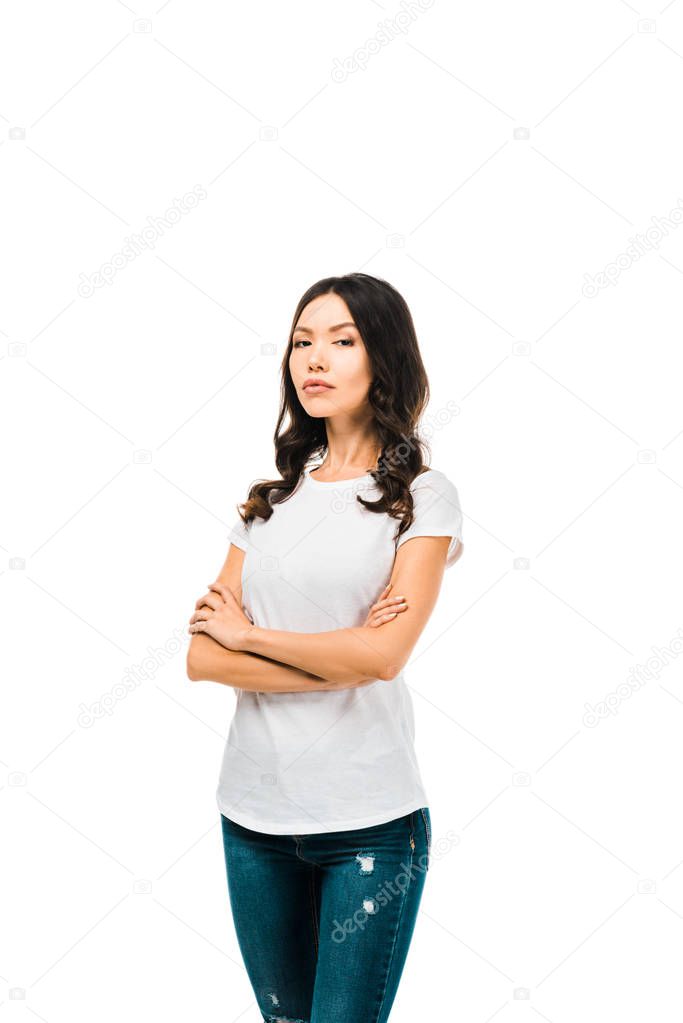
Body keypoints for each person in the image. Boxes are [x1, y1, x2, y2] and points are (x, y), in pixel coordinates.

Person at [186, 271, 465, 1023]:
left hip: (369, 822)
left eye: (342, 341)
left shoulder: (420, 495)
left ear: (384, 358)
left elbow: (381, 658)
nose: (315, 358)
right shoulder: (269, 499)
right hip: (253, 816)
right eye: (303, 341)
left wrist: (249, 637)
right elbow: (200, 659)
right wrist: (331, 651)